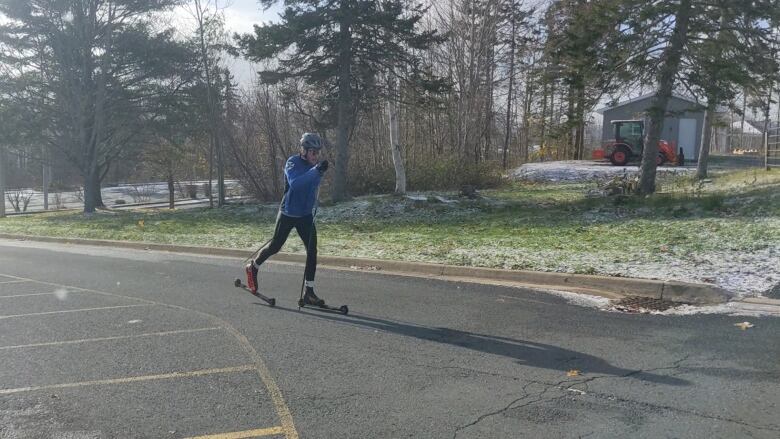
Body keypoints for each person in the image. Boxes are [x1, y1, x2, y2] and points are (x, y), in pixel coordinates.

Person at [245, 132, 329, 305]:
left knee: (312, 251)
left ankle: (309, 293)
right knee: (275, 246)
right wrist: (316, 171)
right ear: (304, 151)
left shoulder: (315, 167)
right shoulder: (292, 162)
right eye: (313, 152)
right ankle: (253, 268)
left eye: (318, 152)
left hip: (305, 215)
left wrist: (316, 193)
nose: (315, 156)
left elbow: (311, 187)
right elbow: (296, 184)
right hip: (288, 213)